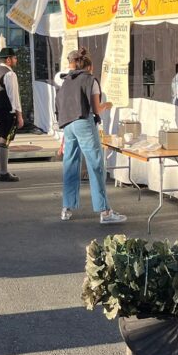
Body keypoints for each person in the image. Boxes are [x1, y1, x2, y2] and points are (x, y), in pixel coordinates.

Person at [56, 48, 126, 224]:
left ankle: (66, 208)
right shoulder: (90, 80)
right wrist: (107, 105)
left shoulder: (66, 81)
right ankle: (105, 211)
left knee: (70, 164)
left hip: (68, 125)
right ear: (89, 65)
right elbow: (96, 109)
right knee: (96, 165)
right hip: (83, 123)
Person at [0, 47, 23, 182]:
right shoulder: (10, 74)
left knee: (0, 139)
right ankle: (3, 172)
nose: (16, 60)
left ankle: (0, 170)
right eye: (14, 58)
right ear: (8, 59)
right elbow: (14, 96)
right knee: (5, 141)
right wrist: (19, 115)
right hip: (9, 111)